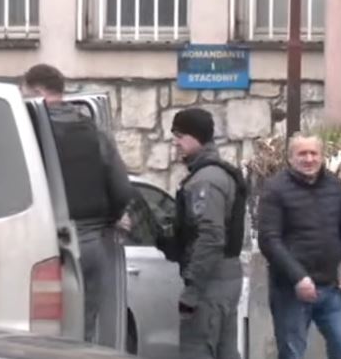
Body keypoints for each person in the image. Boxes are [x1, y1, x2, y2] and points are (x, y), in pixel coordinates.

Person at [20, 64, 133, 348]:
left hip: (42, 244)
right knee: (83, 332)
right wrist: (112, 218)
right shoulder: (93, 132)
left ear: (38, 92)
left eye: (25, 94)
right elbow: (122, 189)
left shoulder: (27, 132)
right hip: (90, 243)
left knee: (39, 335)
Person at [257, 133, 341, 359]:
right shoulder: (275, 189)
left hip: (330, 288)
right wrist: (298, 277)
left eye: (314, 153)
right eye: (302, 154)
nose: (309, 159)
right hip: (291, 291)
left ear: (322, 156)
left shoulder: (335, 186)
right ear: (290, 158)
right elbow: (269, 240)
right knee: (292, 353)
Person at [158, 108, 247, 359]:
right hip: (224, 277)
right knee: (225, 351)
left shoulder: (205, 180)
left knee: (197, 349)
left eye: (180, 136)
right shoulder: (217, 173)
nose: (175, 142)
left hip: (211, 282)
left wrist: (192, 290)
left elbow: (210, 236)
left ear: (196, 137)